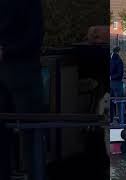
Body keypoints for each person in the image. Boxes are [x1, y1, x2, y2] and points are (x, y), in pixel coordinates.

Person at [0, 0, 44, 179]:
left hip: (8, 67)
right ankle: (36, 174)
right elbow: (35, 34)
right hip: (23, 68)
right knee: (31, 128)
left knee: (3, 131)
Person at [110, 46, 124, 123]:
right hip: (117, 83)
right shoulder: (119, 60)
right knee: (120, 102)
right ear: (119, 52)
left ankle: (111, 120)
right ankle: (121, 121)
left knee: (110, 102)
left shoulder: (110, 58)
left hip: (110, 83)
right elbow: (120, 73)